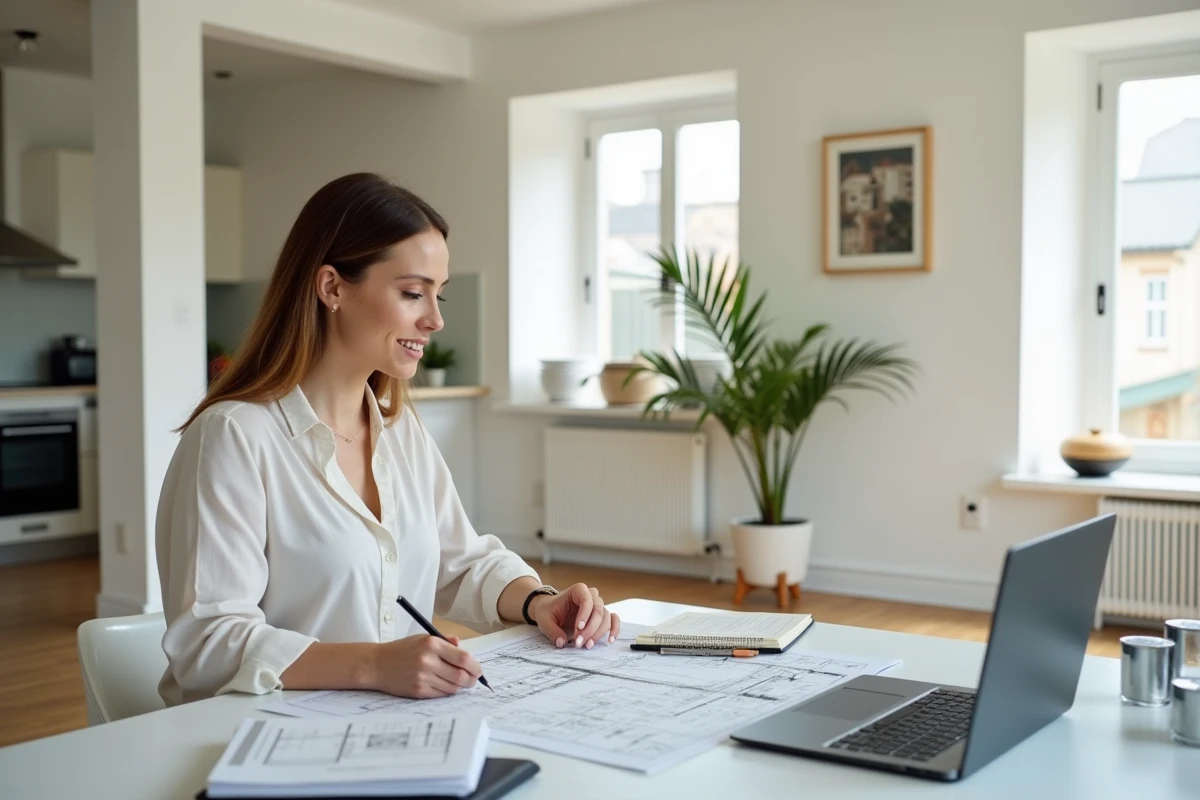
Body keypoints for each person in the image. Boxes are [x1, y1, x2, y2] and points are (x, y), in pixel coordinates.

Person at [155, 173, 619, 706]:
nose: (436, 319)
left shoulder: (399, 432)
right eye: (412, 293)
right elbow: (207, 642)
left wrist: (539, 601)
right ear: (331, 287)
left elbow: (460, 561)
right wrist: (376, 664)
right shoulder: (234, 438)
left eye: (438, 295)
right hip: (255, 738)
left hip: (388, 729)